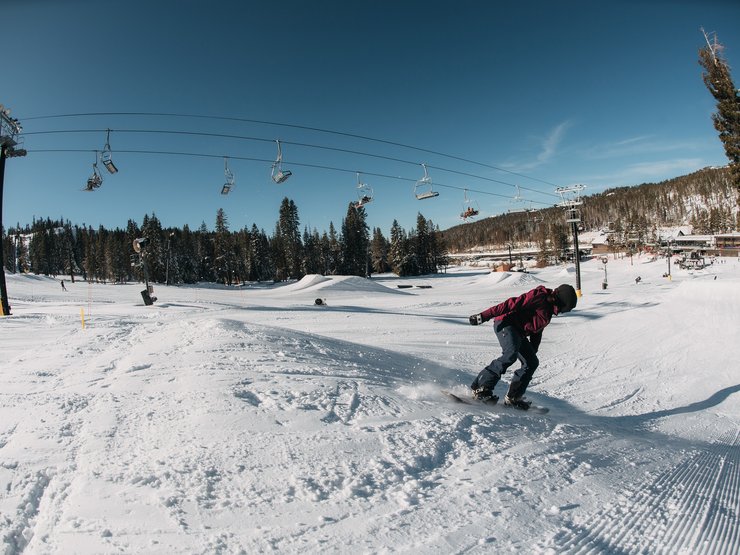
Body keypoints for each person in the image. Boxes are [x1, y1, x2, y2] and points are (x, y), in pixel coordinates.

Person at [468, 284, 577, 410]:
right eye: (565, 308)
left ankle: (513, 397)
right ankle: (481, 389)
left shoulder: (548, 312)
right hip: (506, 323)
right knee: (510, 354)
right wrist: (483, 316)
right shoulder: (539, 297)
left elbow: (537, 331)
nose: (563, 311)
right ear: (560, 300)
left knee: (532, 362)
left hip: (519, 332)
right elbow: (510, 304)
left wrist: (532, 350)